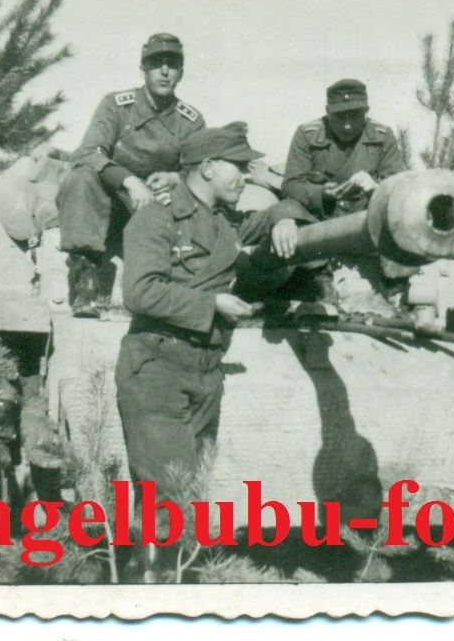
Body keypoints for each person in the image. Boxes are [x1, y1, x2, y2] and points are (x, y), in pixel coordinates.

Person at [114, 122, 313, 578]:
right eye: (238, 166)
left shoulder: (225, 222)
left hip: (206, 370)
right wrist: (212, 304)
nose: (246, 175)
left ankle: (157, 582)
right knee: (169, 497)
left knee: (188, 495)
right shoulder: (157, 216)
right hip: (157, 368)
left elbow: (279, 218)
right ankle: (153, 593)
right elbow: (140, 293)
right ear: (206, 167)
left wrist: (284, 220)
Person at [56, 33, 206, 318]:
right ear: (143, 71)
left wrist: (175, 178)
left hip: (157, 209)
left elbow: (199, 171)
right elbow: (88, 151)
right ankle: (85, 284)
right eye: (155, 64)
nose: (164, 71)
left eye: (172, 64)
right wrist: (129, 180)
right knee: (82, 177)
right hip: (108, 205)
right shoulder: (117, 104)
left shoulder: (191, 121)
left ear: (181, 73)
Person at [281, 79, 405, 220]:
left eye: (355, 116)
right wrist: (321, 193)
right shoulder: (307, 135)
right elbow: (290, 186)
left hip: (367, 222)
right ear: (328, 111)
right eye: (339, 117)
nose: (347, 126)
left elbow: (399, 189)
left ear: (366, 111)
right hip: (319, 223)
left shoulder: (382, 136)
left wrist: (375, 188)